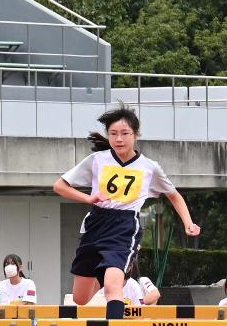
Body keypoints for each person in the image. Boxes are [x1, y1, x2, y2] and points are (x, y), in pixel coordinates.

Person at [54, 106, 200, 313]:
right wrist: (89, 197)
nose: (119, 139)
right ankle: (106, 271)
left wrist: (188, 223)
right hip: (96, 222)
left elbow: (174, 196)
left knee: (113, 288)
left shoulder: (149, 167)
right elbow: (59, 186)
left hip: (124, 225)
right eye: (113, 134)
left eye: (124, 134)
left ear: (136, 135)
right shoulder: (97, 160)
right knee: (80, 299)